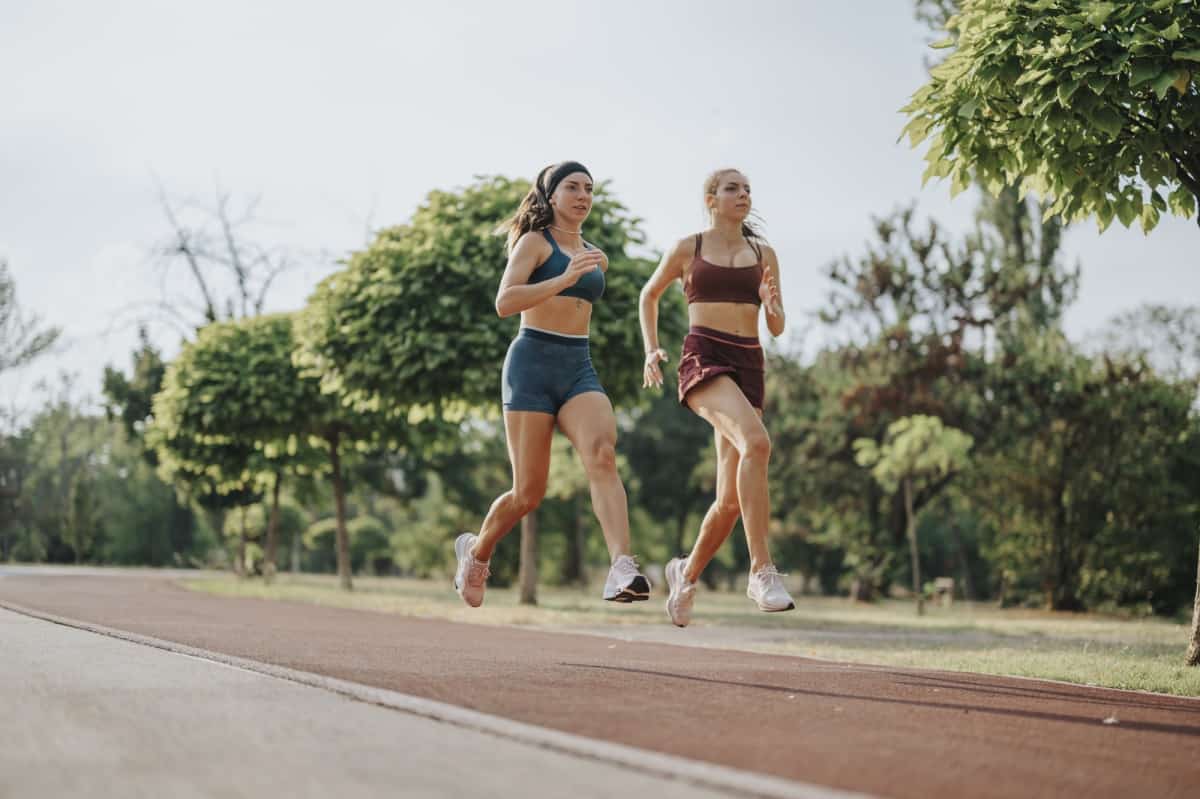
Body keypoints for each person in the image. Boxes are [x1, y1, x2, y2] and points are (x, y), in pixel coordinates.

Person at [453, 161, 650, 607]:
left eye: (589, 189)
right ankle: (477, 551)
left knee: (602, 453)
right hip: (531, 365)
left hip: (577, 364)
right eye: (572, 187)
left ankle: (621, 566)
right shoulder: (533, 242)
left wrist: (593, 267)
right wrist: (564, 279)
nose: (583, 195)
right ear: (550, 196)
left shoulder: (593, 250)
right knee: (528, 493)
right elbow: (505, 301)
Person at [638, 167, 794, 627]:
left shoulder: (763, 252)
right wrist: (651, 350)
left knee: (729, 502)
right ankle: (761, 569)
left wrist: (772, 305)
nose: (743, 194)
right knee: (758, 444)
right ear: (711, 198)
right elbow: (649, 295)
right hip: (704, 356)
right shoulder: (690, 247)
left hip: (748, 361)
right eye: (733, 188)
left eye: (747, 188)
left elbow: (779, 326)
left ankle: (685, 575)